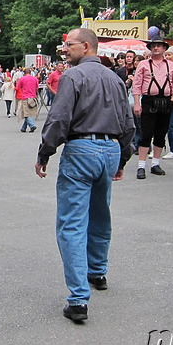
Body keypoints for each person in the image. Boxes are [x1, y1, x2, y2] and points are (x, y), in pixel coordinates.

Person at [34, 29, 134, 323]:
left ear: (86, 46)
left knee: (72, 223)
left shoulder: (73, 77)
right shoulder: (115, 79)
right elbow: (128, 121)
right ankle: (98, 272)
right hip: (111, 147)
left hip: (81, 148)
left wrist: (45, 152)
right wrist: (122, 158)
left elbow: (59, 117)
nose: (64, 50)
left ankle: (78, 299)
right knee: (101, 213)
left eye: (68, 45)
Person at [132, 34, 173, 179]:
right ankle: (141, 165)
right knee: (146, 133)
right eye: (154, 46)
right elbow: (137, 84)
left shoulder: (170, 65)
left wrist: (172, 99)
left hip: (165, 101)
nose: (156, 48)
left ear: (164, 48)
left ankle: (155, 164)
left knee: (161, 133)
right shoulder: (144, 64)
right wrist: (137, 103)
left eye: (159, 45)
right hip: (148, 100)